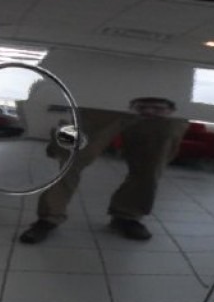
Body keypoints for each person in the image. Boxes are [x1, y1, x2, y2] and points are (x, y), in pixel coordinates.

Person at [19, 98, 188, 243]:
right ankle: (49, 216)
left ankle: (127, 215)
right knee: (71, 156)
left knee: (150, 166)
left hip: (170, 91)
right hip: (108, 87)